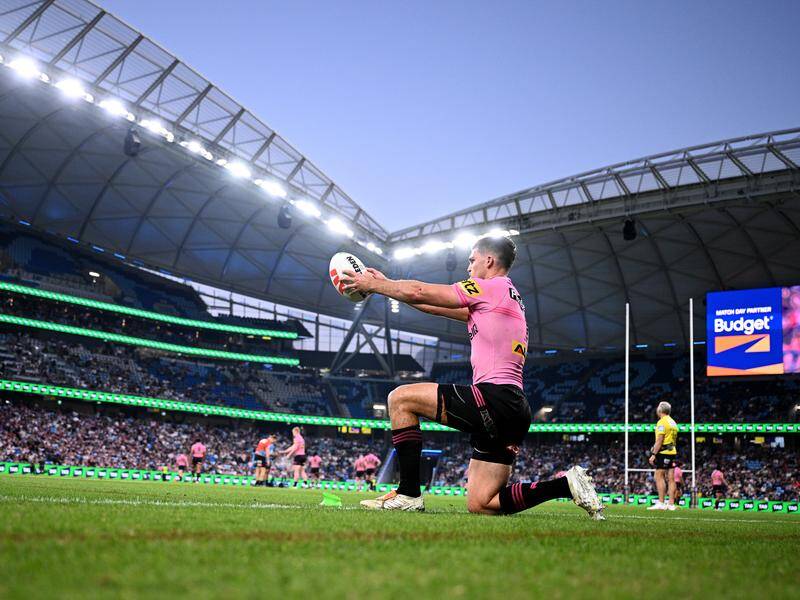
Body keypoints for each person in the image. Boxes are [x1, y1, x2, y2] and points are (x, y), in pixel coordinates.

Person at [342, 235, 603, 518]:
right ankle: (565, 485)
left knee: (400, 399)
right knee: (482, 503)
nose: (468, 267)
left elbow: (419, 291)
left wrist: (374, 285)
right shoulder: (507, 295)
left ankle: (408, 493)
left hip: (493, 399)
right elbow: (430, 304)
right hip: (513, 408)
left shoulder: (489, 288)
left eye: (472, 260)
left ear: (488, 260)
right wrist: (385, 287)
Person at [647, 401, 678, 511]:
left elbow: (660, 440)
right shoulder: (673, 422)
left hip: (664, 453)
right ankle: (671, 504)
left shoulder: (661, 422)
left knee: (658, 476)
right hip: (672, 451)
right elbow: (672, 442)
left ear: (660, 410)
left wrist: (653, 454)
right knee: (671, 478)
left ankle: (661, 502)